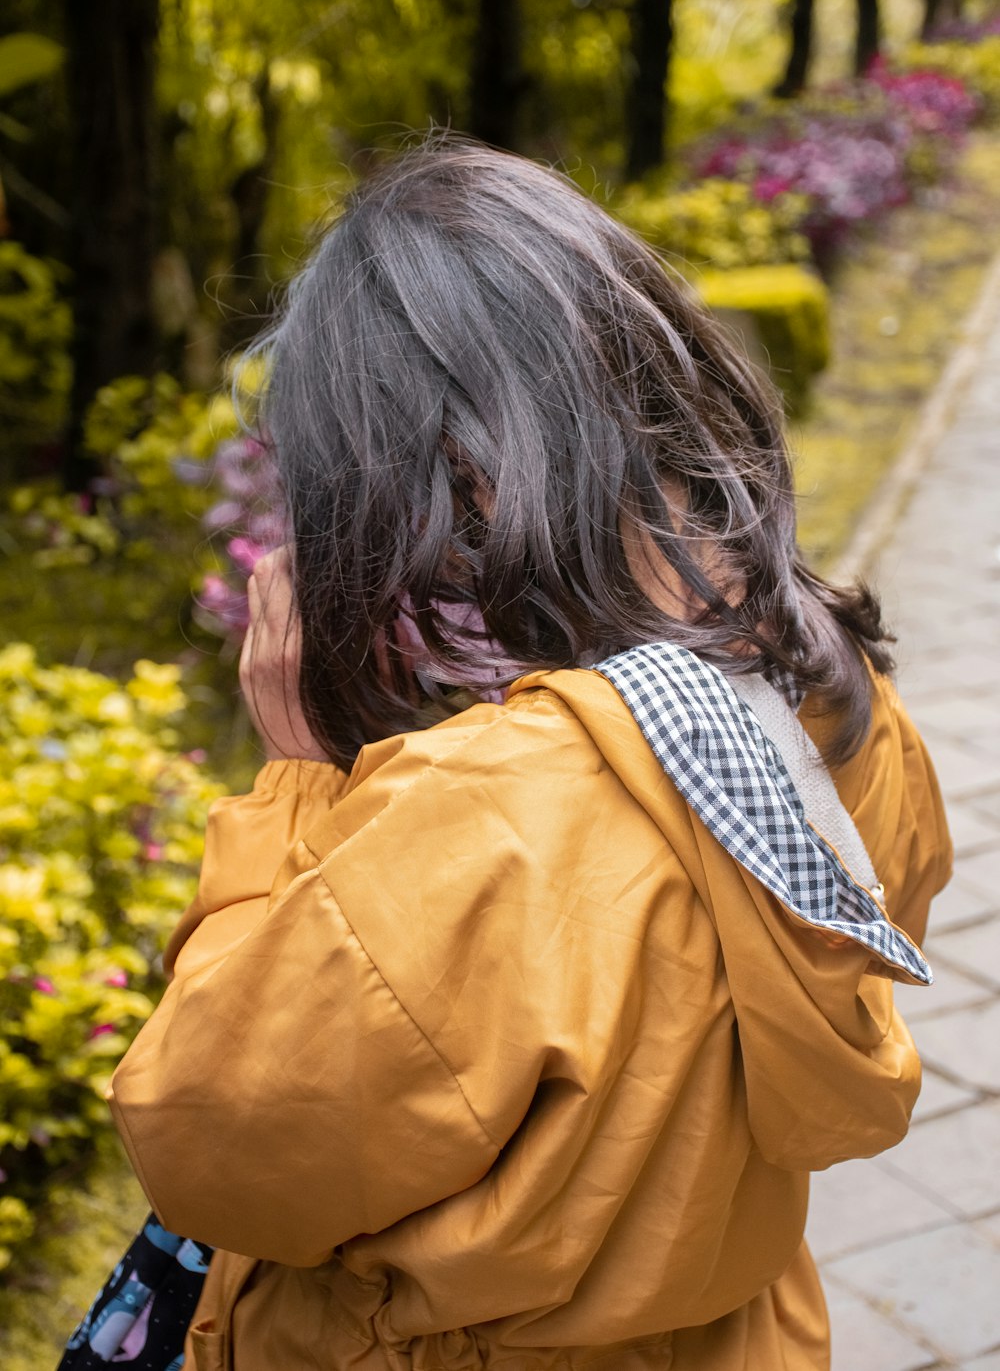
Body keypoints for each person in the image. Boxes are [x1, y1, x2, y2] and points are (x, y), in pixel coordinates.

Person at [106, 139, 951, 1371]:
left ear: (430, 476)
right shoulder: (837, 703)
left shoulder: (475, 820)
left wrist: (293, 780)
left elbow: (211, 1147)